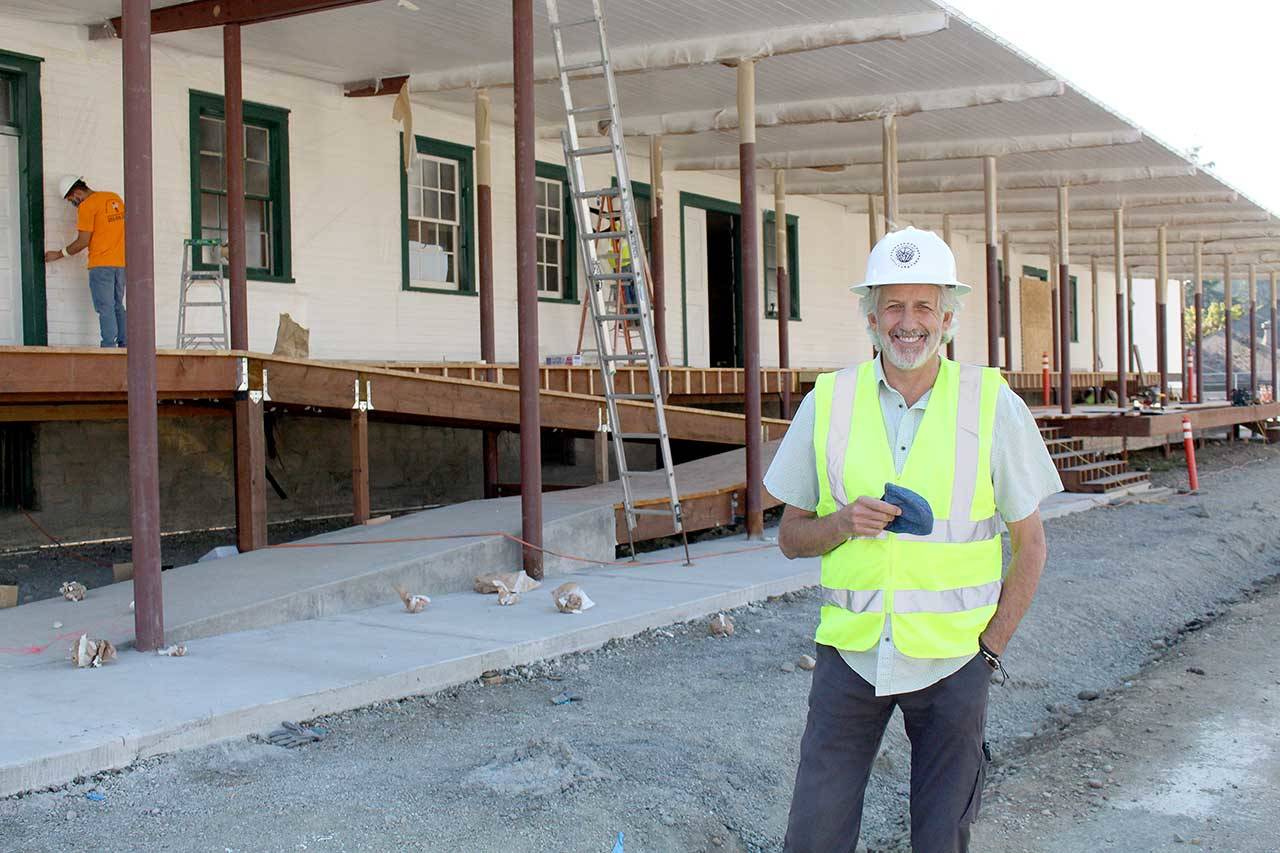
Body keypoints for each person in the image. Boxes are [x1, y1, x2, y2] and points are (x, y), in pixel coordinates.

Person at [767, 227, 1063, 852]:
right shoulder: (828, 402)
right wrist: (842, 522)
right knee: (813, 837)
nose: (908, 322)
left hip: (954, 663)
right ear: (870, 317)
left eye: (923, 306)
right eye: (893, 306)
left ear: (948, 317)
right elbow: (791, 537)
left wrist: (990, 651)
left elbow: (1030, 543)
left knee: (940, 839)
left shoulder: (992, 404)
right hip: (851, 657)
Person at [44, 175, 127, 348]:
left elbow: (82, 241)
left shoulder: (87, 206)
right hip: (121, 263)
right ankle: (125, 345)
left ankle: (108, 348)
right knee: (117, 306)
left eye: (71, 199)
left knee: (105, 308)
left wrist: (58, 254)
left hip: (101, 265)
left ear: (78, 192)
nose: (73, 203)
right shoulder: (114, 198)